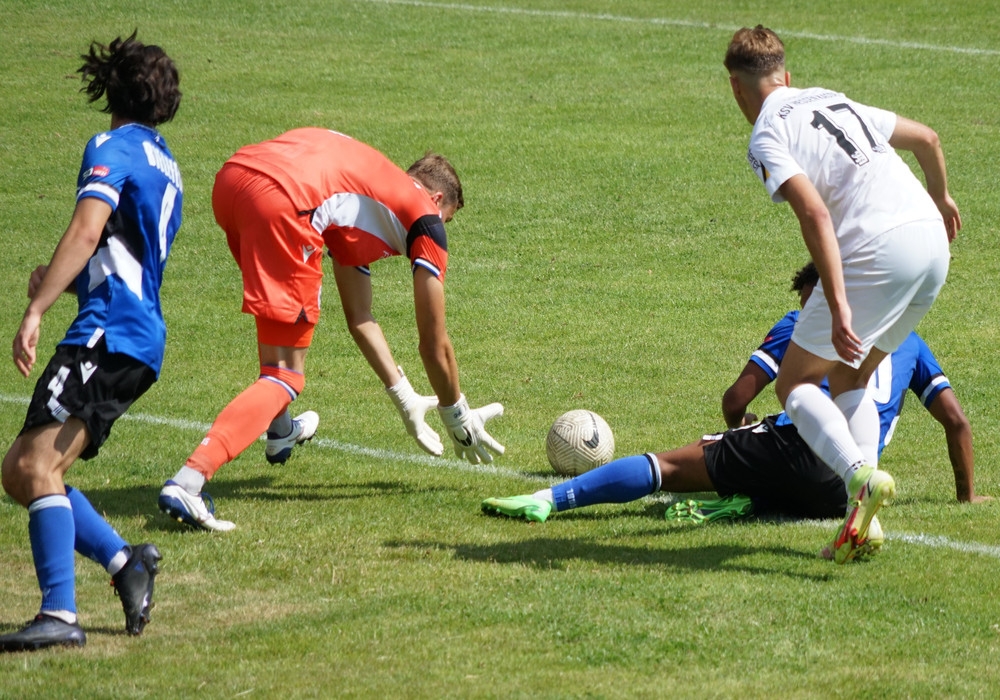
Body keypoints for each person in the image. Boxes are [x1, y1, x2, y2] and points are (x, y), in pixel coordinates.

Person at [482, 264, 986, 559]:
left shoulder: (803, 324)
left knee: (669, 466)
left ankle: (549, 499)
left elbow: (735, 401)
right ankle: (754, 496)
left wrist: (740, 435)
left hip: (801, 450)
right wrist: (966, 496)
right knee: (782, 473)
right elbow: (957, 422)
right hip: (841, 496)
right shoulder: (908, 341)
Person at [158, 128, 504, 532]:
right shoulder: (425, 219)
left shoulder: (364, 198)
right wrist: (455, 412)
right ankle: (189, 481)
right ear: (437, 200)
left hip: (235, 181)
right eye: (448, 219)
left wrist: (405, 398)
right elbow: (433, 344)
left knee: (279, 343)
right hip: (285, 200)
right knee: (286, 376)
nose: (443, 228)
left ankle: (280, 429)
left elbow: (360, 317)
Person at [723, 26, 960, 562]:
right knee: (850, 377)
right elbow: (928, 139)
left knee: (795, 383)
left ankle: (859, 475)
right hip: (932, 244)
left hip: (879, 252)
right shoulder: (831, 98)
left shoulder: (766, 134)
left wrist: (837, 302)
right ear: (786, 76)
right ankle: (862, 521)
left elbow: (815, 214)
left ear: (737, 88)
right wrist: (942, 197)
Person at [0, 34, 182, 652]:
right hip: (137, 337)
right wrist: (65, 281)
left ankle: (60, 613)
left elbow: (87, 230)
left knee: (36, 466)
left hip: (107, 335)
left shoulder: (111, 146)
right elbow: (125, 257)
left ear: (111, 88)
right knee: (22, 471)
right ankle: (126, 563)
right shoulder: (166, 165)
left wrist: (37, 307)